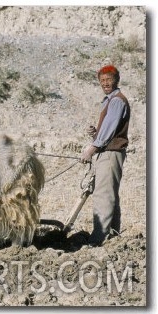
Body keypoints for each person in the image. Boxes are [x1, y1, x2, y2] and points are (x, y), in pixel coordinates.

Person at [80, 65, 131, 247]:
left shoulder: (116, 101)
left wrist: (91, 149)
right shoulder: (110, 101)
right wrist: (96, 134)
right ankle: (113, 236)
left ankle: (98, 239)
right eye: (102, 81)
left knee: (103, 194)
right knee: (110, 194)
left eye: (109, 79)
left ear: (116, 80)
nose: (105, 83)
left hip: (110, 153)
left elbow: (108, 132)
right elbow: (108, 131)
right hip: (110, 152)